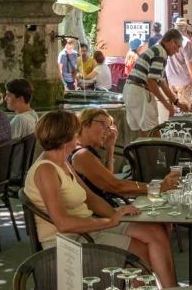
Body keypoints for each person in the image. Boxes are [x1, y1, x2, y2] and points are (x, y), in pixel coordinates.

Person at [25, 109, 178, 287]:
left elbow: (90, 198)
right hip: (68, 241)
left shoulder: (62, 162)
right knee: (141, 251)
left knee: (155, 231)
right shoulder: (46, 170)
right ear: (67, 135)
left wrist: (118, 216)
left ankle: (171, 288)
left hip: (86, 229)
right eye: (76, 130)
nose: (78, 134)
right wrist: (110, 222)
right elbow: (63, 223)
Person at [70, 108, 180, 206]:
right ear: (85, 125)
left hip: (106, 206)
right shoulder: (81, 154)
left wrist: (110, 148)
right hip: (99, 213)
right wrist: (158, 187)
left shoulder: (82, 151)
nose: (107, 131)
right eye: (103, 124)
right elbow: (115, 186)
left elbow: (108, 182)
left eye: (109, 128)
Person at [123, 28, 190, 136]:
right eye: (178, 47)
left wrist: (176, 103)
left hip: (130, 89)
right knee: (153, 131)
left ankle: (147, 153)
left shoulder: (156, 50)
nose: (177, 51)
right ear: (172, 42)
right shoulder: (160, 52)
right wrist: (167, 104)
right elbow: (151, 81)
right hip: (140, 90)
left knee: (144, 131)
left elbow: (162, 82)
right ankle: (158, 153)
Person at [165, 17, 192, 106]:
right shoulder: (186, 42)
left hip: (170, 79)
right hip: (183, 80)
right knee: (184, 107)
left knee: (173, 109)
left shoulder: (168, 41)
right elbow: (189, 62)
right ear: (186, 29)